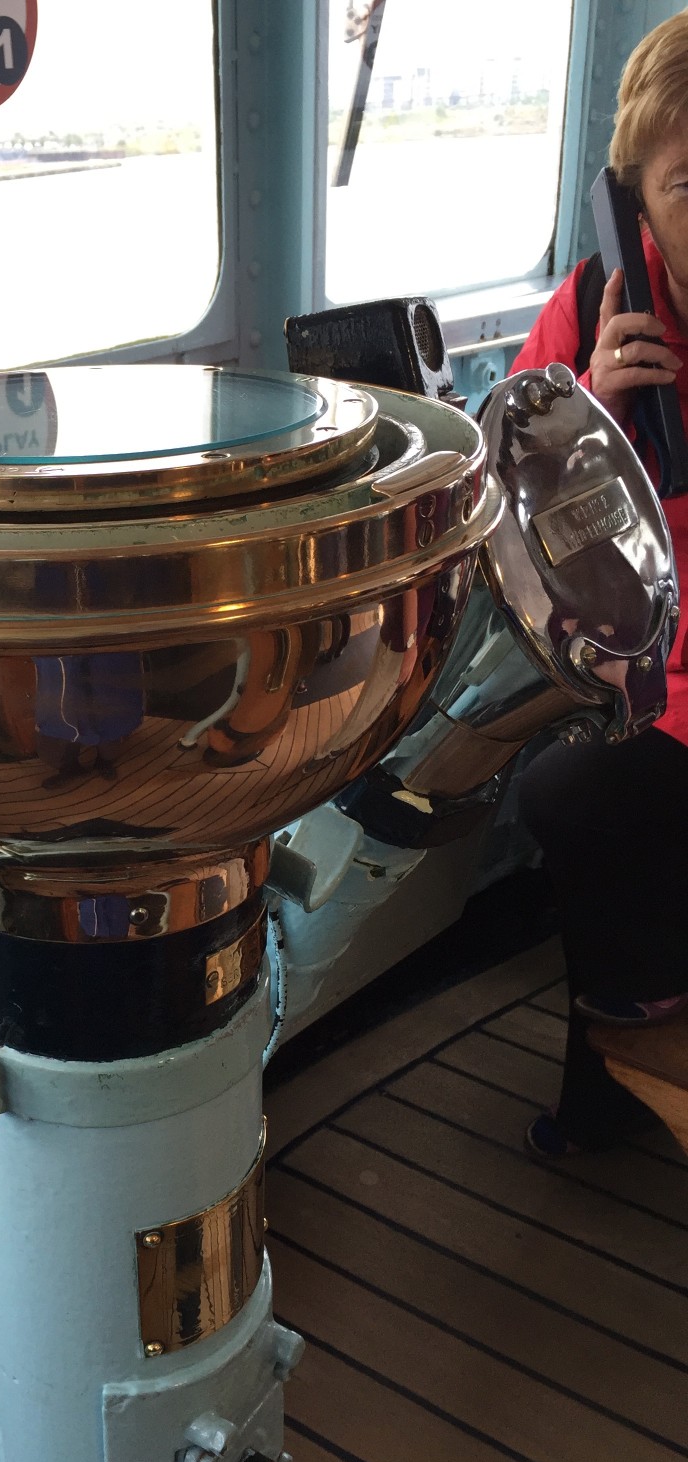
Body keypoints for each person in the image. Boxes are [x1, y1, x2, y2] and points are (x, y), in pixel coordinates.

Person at [511, 10, 688, 1155]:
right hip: (642, 661)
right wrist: (596, 417)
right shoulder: (593, 305)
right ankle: (625, 1054)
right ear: (636, 203)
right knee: (561, 787)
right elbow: (512, 499)